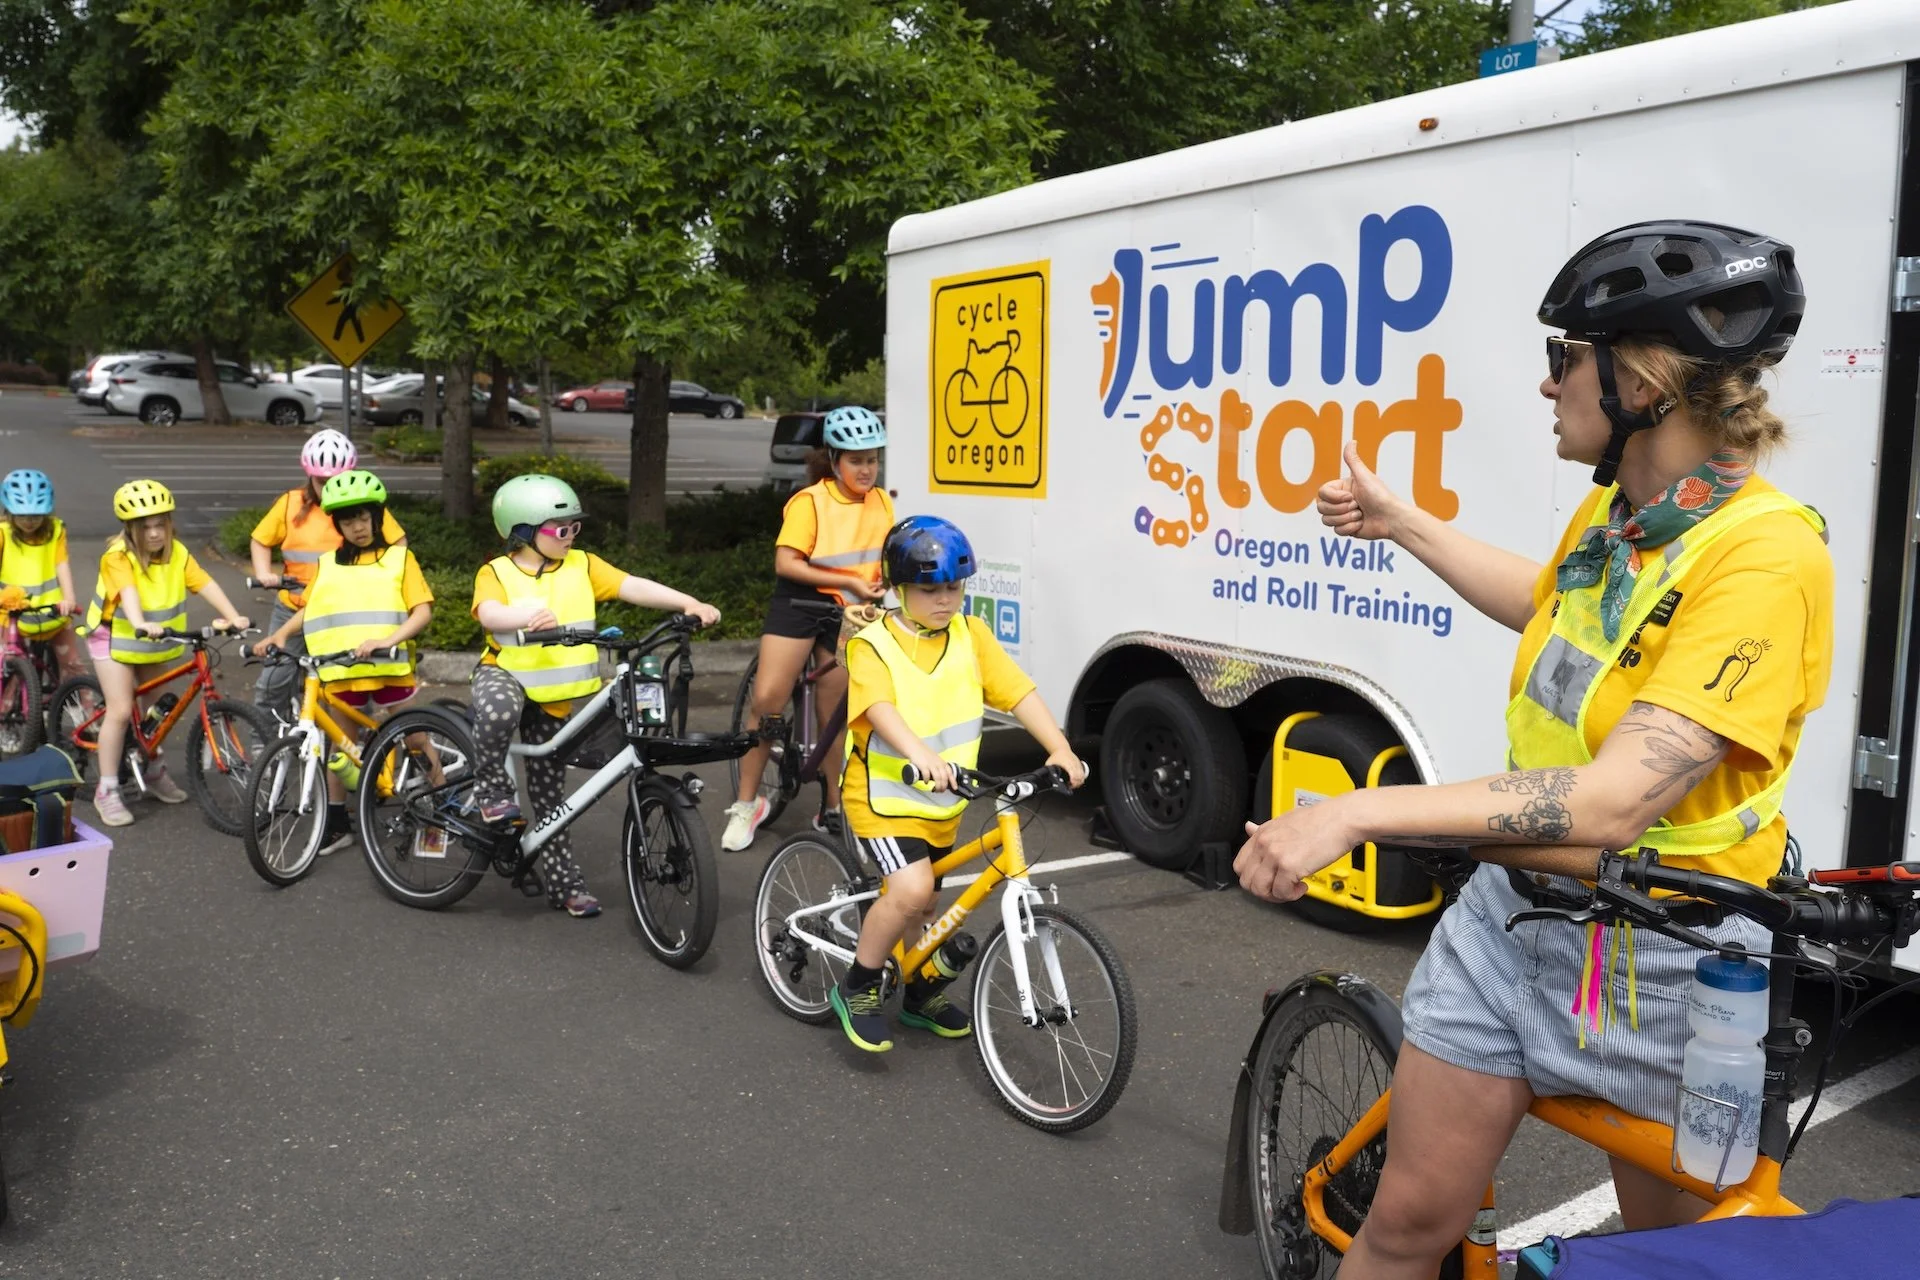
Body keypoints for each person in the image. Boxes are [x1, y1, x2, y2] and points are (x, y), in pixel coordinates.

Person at [1233, 221, 1833, 1275]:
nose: (1549, 382)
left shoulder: (1765, 556)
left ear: (1640, 379)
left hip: (1670, 957)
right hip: (1511, 918)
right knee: (1405, 1230)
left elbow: (1612, 803)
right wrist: (1401, 522)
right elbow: (1549, 605)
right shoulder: (1626, 513)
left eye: (1567, 356)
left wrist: (1357, 811)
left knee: (1677, 1262)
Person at [828, 516, 1086, 1053]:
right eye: (930, 590)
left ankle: (917, 994)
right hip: (883, 799)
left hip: (943, 801)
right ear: (899, 588)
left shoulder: (971, 635)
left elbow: (1017, 693)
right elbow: (878, 708)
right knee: (911, 890)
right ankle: (858, 985)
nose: (945, 600)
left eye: (954, 587)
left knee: (926, 907)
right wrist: (919, 753)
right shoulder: (873, 644)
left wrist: (1059, 747)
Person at [468, 474, 721, 918]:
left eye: (574, 527)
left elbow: (632, 585)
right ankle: (492, 792)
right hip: (505, 674)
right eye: (560, 528)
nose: (570, 535)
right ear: (523, 530)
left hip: (554, 697)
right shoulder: (497, 572)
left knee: (553, 800)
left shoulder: (583, 565)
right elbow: (488, 614)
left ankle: (564, 883)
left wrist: (688, 603)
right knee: (499, 711)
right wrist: (524, 616)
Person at [724, 405, 893, 852]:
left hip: (850, 611)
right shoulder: (810, 501)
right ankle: (747, 804)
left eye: (872, 459)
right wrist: (849, 581)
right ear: (833, 460)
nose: (866, 469)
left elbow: (880, 557)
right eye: (856, 461)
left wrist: (885, 581)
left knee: (835, 715)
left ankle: (833, 807)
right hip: (800, 602)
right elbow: (786, 563)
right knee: (767, 701)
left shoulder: (881, 501)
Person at [252, 469, 434, 855]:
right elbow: (312, 608)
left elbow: (422, 612)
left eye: (363, 518)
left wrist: (388, 640)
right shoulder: (329, 564)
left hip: (389, 668)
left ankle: (443, 805)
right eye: (348, 521)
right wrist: (280, 635)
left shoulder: (399, 559)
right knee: (340, 750)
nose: (358, 527)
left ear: (377, 518)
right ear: (338, 525)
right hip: (341, 671)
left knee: (416, 738)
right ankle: (337, 823)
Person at [84, 479, 252, 827]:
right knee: (119, 710)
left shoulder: (178, 553)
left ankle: (154, 770)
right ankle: (107, 789)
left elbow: (205, 583)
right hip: (114, 638)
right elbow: (128, 594)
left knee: (156, 713)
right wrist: (139, 622)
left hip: (152, 641)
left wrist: (234, 616)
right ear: (130, 528)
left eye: (160, 524)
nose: (155, 533)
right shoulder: (118, 556)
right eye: (145, 527)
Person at [249, 429, 405, 722]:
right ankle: (265, 740)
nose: (329, 487)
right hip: (294, 606)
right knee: (273, 681)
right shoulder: (290, 503)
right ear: (309, 476)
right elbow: (260, 540)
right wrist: (264, 573)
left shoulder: (360, 506)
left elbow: (398, 545)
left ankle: (352, 742)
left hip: (341, 613)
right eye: (322, 482)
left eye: (336, 480)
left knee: (351, 682)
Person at [0, 469, 88, 682]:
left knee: (72, 663)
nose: (29, 521)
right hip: (10, 614)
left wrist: (69, 599)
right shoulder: (3, 532)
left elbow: (61, 564)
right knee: (7, 665)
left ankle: (81, 701)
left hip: (51, 610)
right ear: (9, 511)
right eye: (22, 516)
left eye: (36, 516)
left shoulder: (56, 530)